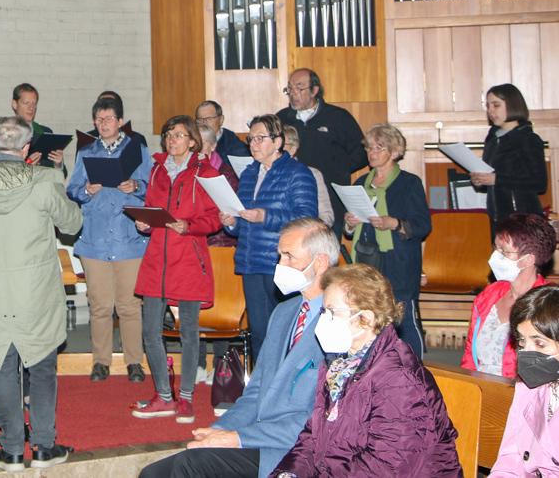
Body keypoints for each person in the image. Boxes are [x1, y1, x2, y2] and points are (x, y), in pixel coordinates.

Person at [139, 218, 336, 478]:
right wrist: (219, 430)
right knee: (153, 473)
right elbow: (255, 393)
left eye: (289, 257)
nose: (280, 265)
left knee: (187, 467)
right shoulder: (284, 313)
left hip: (298, 451)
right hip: (260, 438)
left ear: (320, 263)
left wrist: (237, 437)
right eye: (279, 256)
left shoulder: (341, 324)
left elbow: (322, 420)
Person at [0, 116, 82, 472]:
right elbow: (72, 223)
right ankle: (44, 447)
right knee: (42, 367)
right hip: (35, 291)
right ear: (26, 149)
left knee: (2, 367)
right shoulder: (45, 180)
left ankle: (11, 451)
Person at [271, 264, 462, 477]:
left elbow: (386, 467)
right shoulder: (339, 366)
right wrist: (288, 474)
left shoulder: (399, 378)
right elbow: (312, 438)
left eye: (331, 312)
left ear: (366, 319)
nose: (323, 319)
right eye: (323, 311)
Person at [132, 116, 221, 423]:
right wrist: (144, 223)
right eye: (169, 134)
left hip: (189, 259)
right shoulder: (156, 170)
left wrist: (190, 226)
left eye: (179, 135)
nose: (172, 140)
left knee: (189, 332)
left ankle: (185, 398)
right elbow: (150, 207)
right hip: (157, 259)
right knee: (150, 331)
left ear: (193, 141)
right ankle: (163, 396)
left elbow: (216, 217)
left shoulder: (206, 173)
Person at [67, 97, 151, 383]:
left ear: (120, 122)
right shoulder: (86, 152)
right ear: (94, 122)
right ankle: (100, 362)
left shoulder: (137, 150)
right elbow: (72, 189)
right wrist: (86, 190)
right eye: (99, 119)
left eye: (110, 119)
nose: (104, 124)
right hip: (96, 240)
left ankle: (134, 361)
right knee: (100, 306)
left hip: (128, 239)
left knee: (129, 306)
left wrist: (136, 186)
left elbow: (153, 188)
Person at [221, 114, 317, 359]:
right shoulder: (249, 174)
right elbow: (245, 222)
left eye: (260, 138)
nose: (253, 144)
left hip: (282, 262)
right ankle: (262, 382)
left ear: (278, 142)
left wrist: (265, 216)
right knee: (259, 333)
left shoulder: (298, 173)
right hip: (251, 261)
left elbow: (307, 219)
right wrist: (232, 223)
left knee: (284, 333)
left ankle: (284, 381)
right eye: (250, 139)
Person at [343, 123, 431, 357]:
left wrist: (394, 223)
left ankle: (415, 366)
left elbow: (423, 225)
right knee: (369, 316)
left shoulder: (409, 183)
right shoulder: (360, 183)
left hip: (399, 262)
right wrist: (350, 223)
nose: (371, 153)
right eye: (369, 148)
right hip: (366, 258)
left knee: (403, 318)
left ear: (395, 152)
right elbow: (349, 231)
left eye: (378, 148)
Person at [462, 213, 556, 377]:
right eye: (496, 248)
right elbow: (470, 355)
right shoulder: (488, 295)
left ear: (528, 260)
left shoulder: (549, 303)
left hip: (523, 387)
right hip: (480, 384)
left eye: (503, 251)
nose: (495, 256)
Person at [277, 69, 367, 234]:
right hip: (290, 200)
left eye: (299, 88)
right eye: (289, 88)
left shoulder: (338, 117)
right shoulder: (282, 119)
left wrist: (338, 170)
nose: (293, 94)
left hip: (330, 201)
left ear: (314, 90)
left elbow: (361, 153)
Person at [488, 285, 559, 477]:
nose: (526, 353)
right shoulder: (528, 385)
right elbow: (510, 459)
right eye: (521, 342)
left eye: (540, 344)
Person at [469, 83, 548, 236]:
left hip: (522, 221)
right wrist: (480, 181)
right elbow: (493, 182)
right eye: (488, 106)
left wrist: (496, 179)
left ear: (512, 105)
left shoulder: (527, 139)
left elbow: (539, 182)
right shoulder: (492, 140)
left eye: (496, 105)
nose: (490, 111)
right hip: (496, 218)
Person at [282, 125, 333, 226]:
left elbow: (326, 217)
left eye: (282, 144)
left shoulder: (311, 173)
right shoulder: (261, 172)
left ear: (293, 149)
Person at [12, 83, 64, 169]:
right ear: (15, 104)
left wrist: (58, 164)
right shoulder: (4, 134)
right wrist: (27, 165)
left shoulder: (46, 133)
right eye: (26, 103)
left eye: (34, 103)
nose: (31, 108)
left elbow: (61, 173)